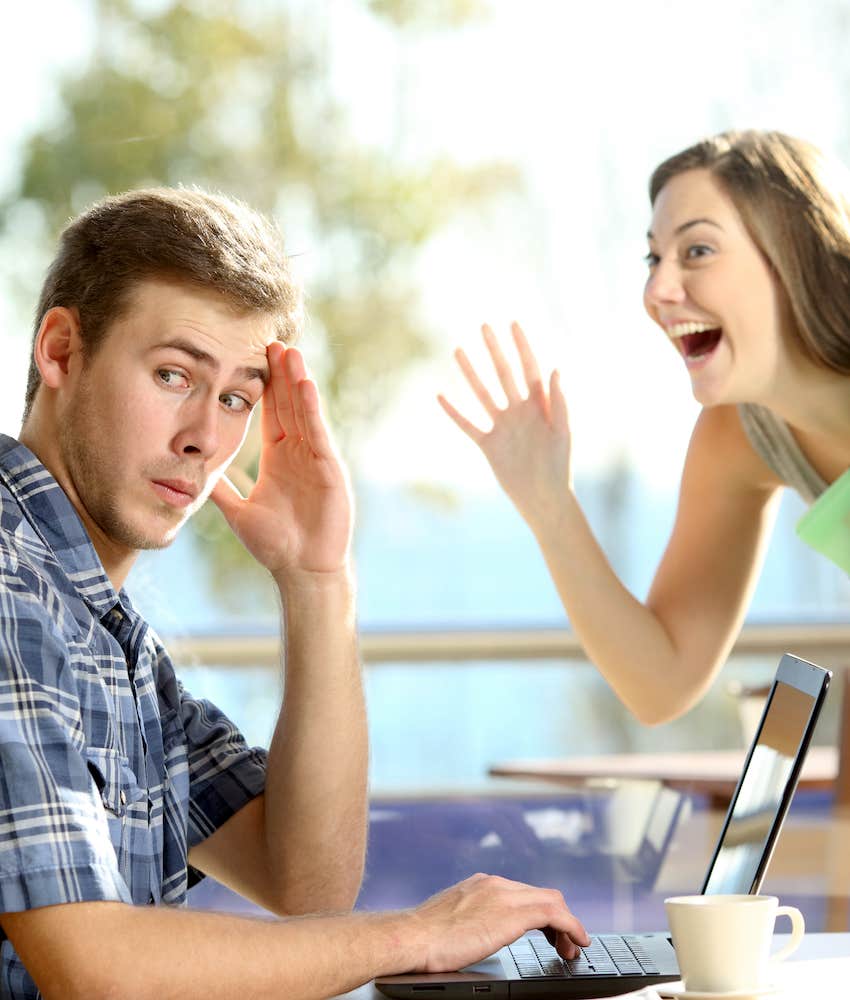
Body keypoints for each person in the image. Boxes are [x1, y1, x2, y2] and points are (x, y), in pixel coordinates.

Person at [0, 188, 590, 999]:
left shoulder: (101, 626)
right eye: (174, 374)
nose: (204, 437)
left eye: (238, 396)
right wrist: (419, 934)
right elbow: (96, 971)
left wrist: (318, 581)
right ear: (61, 351)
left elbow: (306, 881)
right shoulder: (11, 587)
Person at [440, 129, 850, 726]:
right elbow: (662, 683)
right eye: (653, 258)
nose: (658, 290)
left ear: (796, 253)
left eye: (698, 251)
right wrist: (549, 503)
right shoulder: (737, 438)